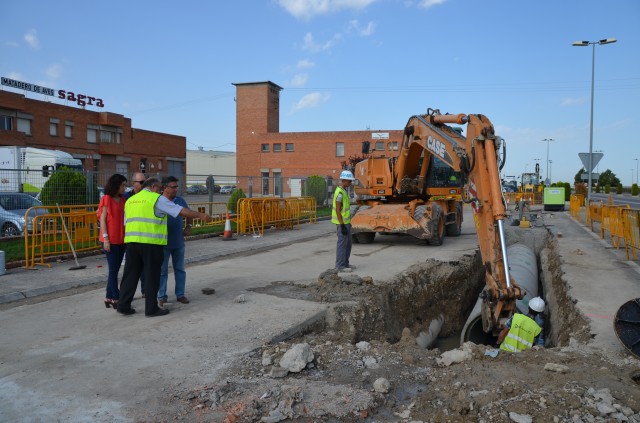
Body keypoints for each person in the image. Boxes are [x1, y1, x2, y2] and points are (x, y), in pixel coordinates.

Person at [116, 178, 213, 317]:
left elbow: (127, 222)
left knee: (130, 276)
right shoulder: (156, 199)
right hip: (151, 243)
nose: (160, 191)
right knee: (152, 276)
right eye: (159, 188)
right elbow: (178, 210)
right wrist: (200, 215)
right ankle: (151, 309)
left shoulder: (131, 200)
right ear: (154, 186)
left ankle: (123, 305)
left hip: (132, 243)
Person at [157, 176, 192, 307]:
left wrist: (189, 226)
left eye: (177, 187)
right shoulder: (159, 201)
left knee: (180, 269)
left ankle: (180, 294)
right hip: (163, 242)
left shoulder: (180, 200)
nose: (176, 189)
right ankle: (162, 296)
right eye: (173, 187)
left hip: (178, 242)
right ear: (164, 188)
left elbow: (189, 214)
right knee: (162, 271)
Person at [98, 173, 127, 309]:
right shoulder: (106, 199)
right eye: (123, 185)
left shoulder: (122, 200)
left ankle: (108, 297)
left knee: (114, 270)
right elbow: (102, 220)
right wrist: (106, 239)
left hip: (121, 239)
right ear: (116, 185)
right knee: (113, 270)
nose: (125, 188)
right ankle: (115, 297)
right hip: (110, 240)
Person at [124, 171, 147, 296]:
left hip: (144, 237)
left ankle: (145, 291)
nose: (144, 184)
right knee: (131, 269)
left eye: (145, 182)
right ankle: (127, 295)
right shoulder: (127, 197)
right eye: (141, 182)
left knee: (145, 267)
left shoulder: (148, 197)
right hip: (130, 238)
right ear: (133, 183)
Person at [332, 170, 356, 272]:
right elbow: (338, 210)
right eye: (349, 181)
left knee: (348, 244)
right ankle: (340, 266)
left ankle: (345, 263)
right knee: (342, 245)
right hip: (342, 224)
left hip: (346, 223)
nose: (351, 183)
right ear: (345, 180)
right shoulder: (340, 193)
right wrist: (342, 226)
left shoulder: (344, 191)